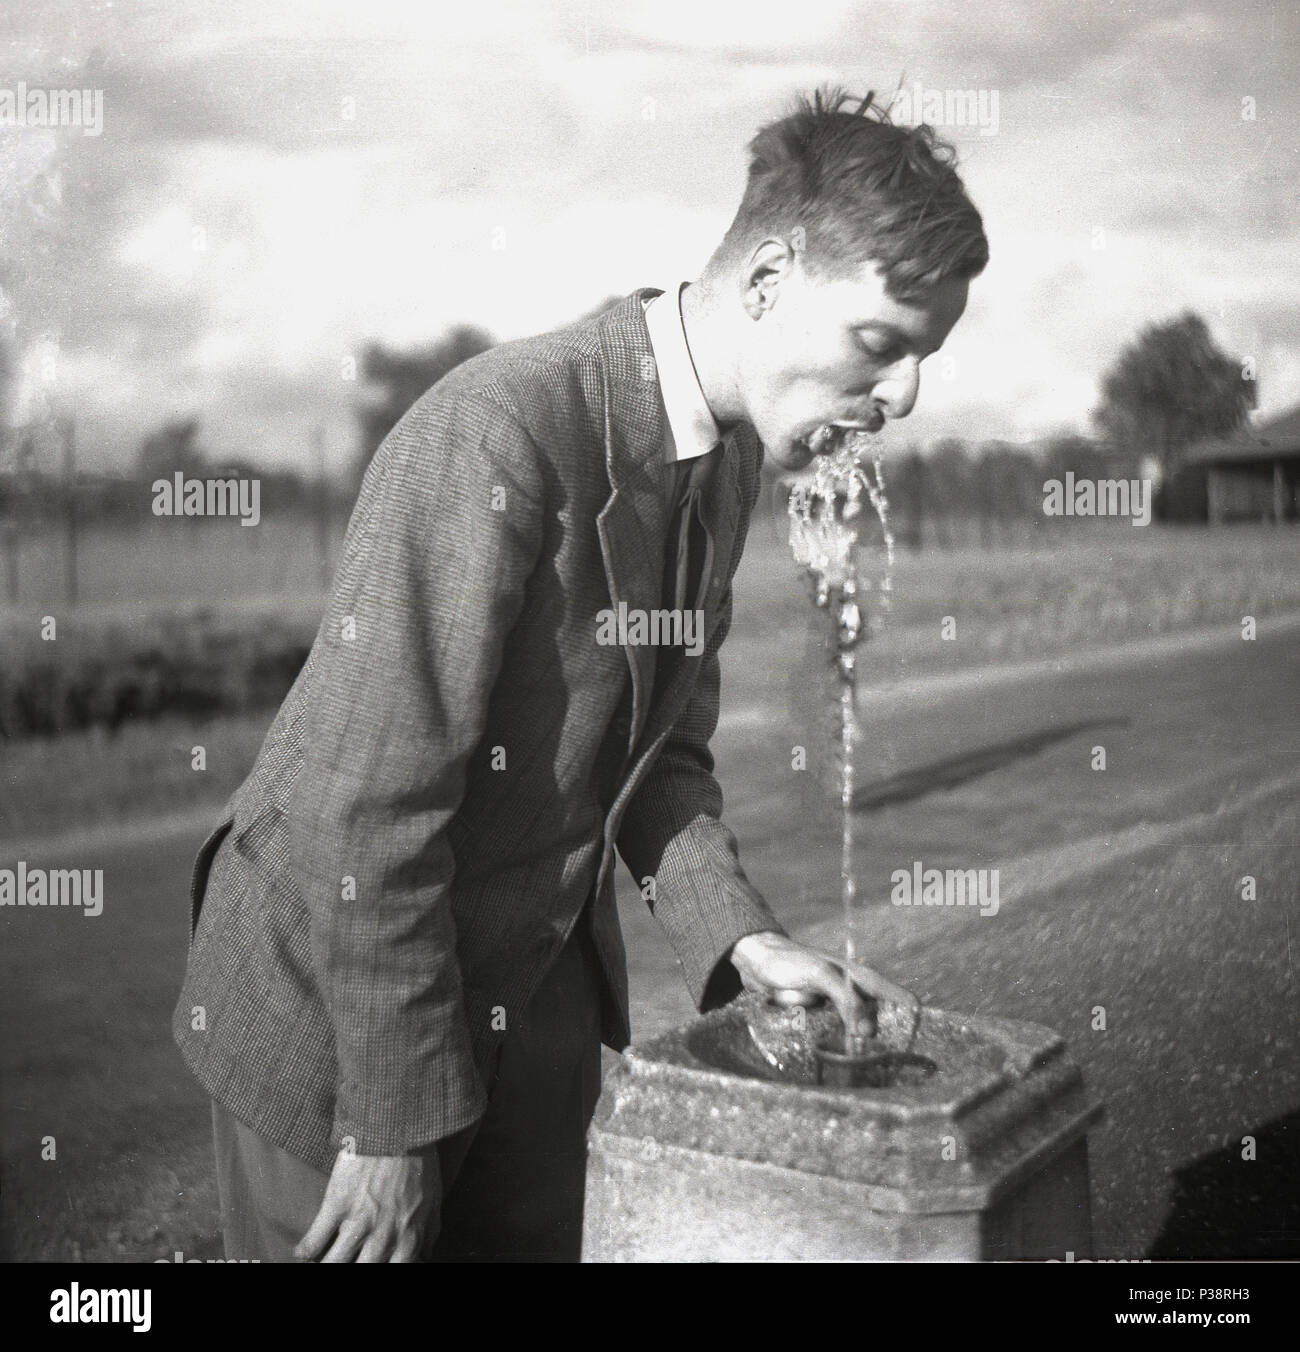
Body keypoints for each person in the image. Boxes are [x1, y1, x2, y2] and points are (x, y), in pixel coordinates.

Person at [173, 85, 988, 1263]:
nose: (904, 394)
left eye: (925, 357)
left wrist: (742, 941)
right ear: (765, 282)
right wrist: (391, 1126)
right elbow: (369, 807)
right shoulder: (497, 433)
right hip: (341, 1014)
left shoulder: (727, 461)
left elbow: (662, 761)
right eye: (881, 343)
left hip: (533, 988)